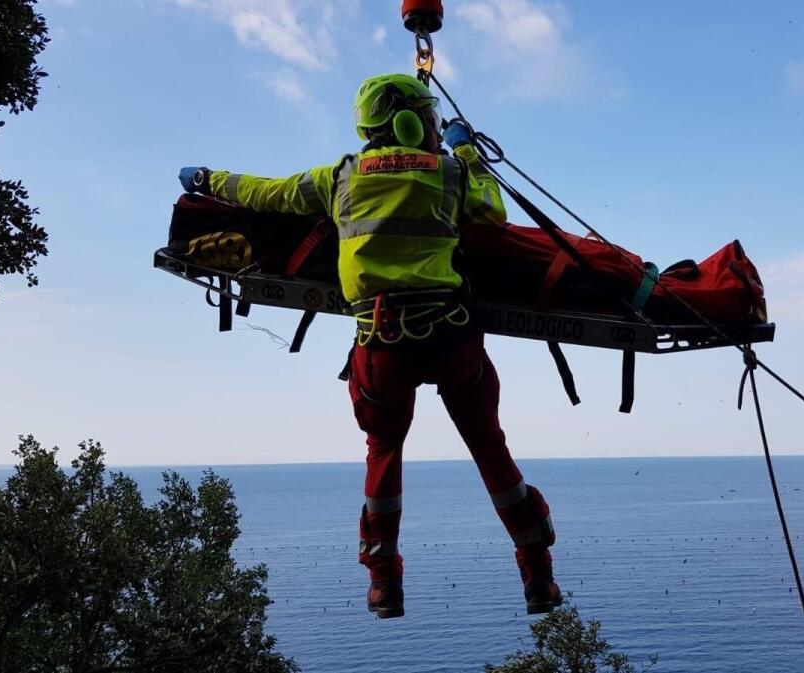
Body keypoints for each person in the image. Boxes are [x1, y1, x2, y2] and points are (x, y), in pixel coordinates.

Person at [178, 73, 562, 619]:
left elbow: (263, 192)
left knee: (383, 453)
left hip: (382, 347)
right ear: (408, 121)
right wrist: (467, 152)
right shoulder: (449, 173)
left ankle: (384, 584)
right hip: (452, 338)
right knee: (489, 450)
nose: (433, 127)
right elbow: (492, 212)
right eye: (428, 118)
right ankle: (538, 577)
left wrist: (206, 178)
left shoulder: (339, 178)